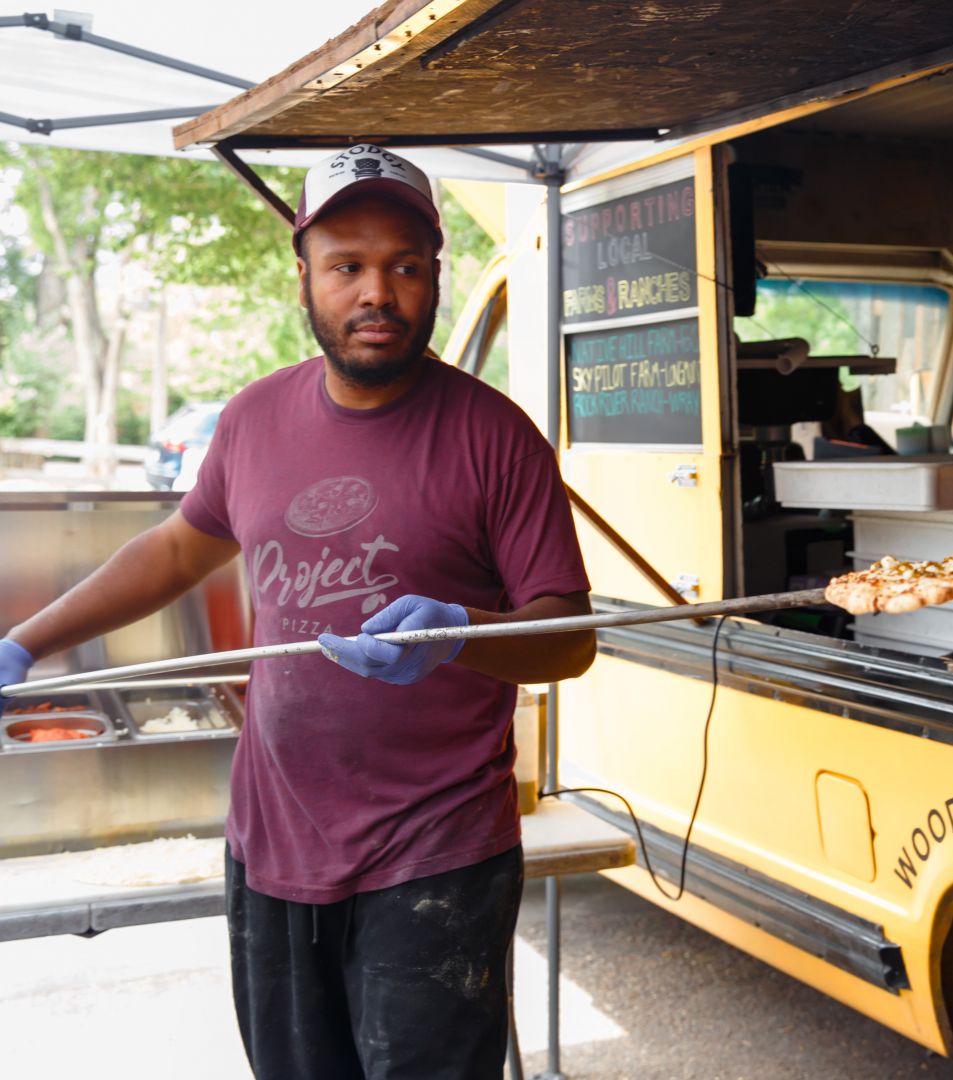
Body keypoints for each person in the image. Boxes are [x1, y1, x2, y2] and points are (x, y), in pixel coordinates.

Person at [0, 144, 595, 1078]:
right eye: (347, 265)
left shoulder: (496, 438)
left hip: (437, 848)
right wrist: (25, 641)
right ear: (305, 277)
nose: (378, 293)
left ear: (436, 276)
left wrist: (460, 637)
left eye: (405, 266)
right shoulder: (252, 420)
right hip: (276, 833)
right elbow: (177, 549)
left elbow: (570, 636)